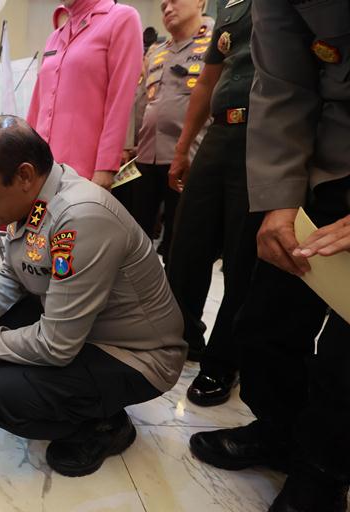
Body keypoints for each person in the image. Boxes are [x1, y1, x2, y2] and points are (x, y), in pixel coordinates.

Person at [0, 116, 186, 477]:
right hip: (88, 330)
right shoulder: (35, 200)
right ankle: (79, 396)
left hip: (135, 355)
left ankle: (105, 425)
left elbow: (58, 344)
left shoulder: (80, 217)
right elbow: (14, 277)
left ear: (25, 175)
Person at [188, 1, 350, 510]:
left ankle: (323, 471)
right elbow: (284, 84)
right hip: (325, 155)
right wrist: (281, 201)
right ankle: (282, 432)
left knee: (343, 357)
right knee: (262, 319)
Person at [166, 0, 260, 406]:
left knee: (243, 256)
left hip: (266, 136)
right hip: (220, 135)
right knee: (187, 244)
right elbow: (206, 82)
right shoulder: (233, 9)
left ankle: (224, 359)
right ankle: (181, 336)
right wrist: (183, 148)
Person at [119, 0, 213, 261]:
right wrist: (128, 145)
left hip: (190, 157)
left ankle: (172, 298)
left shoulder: (217, 43)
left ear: (200, 2)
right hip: (148, 156)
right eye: (162, 7)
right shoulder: (157, 52)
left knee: (180, 241)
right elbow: (140, 100)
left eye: (174, 1)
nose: (167, 9)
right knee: (137, 235)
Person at [27, 0, 142, 190]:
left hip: (84, 173)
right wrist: (26, 155)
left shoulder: (121, 19)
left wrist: (105, 166)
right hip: (42, 170)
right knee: (38, 218)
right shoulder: (54, 38)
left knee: (73, 219)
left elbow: (120, 99)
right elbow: (37, 105)